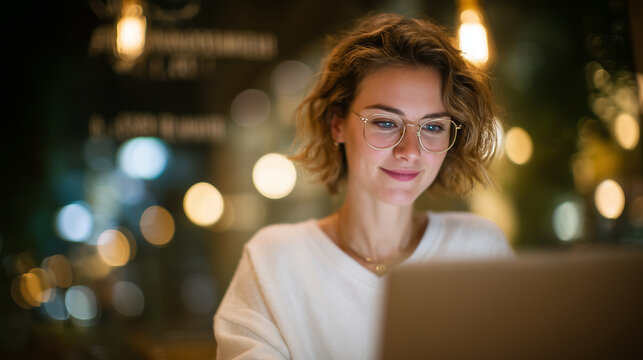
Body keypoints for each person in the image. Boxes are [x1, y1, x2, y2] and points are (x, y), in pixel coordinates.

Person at [214, 12, 513, 359]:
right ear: (337, 124)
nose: (409, 151)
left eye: (432, 127)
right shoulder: (274, 262)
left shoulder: (478, 250)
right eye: (386, 122)